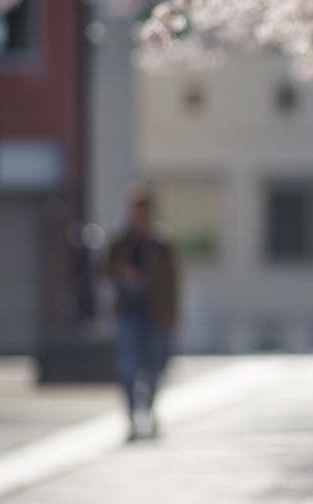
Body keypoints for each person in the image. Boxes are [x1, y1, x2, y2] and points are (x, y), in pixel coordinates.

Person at [104, 185, 179, 441]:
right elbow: (105, 271)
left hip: (155, 314)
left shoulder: (161, 244)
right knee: (128, 368)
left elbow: (172, 283)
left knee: (155, 368)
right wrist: (123, 274)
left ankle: (150, 409)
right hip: (128, 314)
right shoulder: (121, 242)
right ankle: (132, 419)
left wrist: (173, 317)